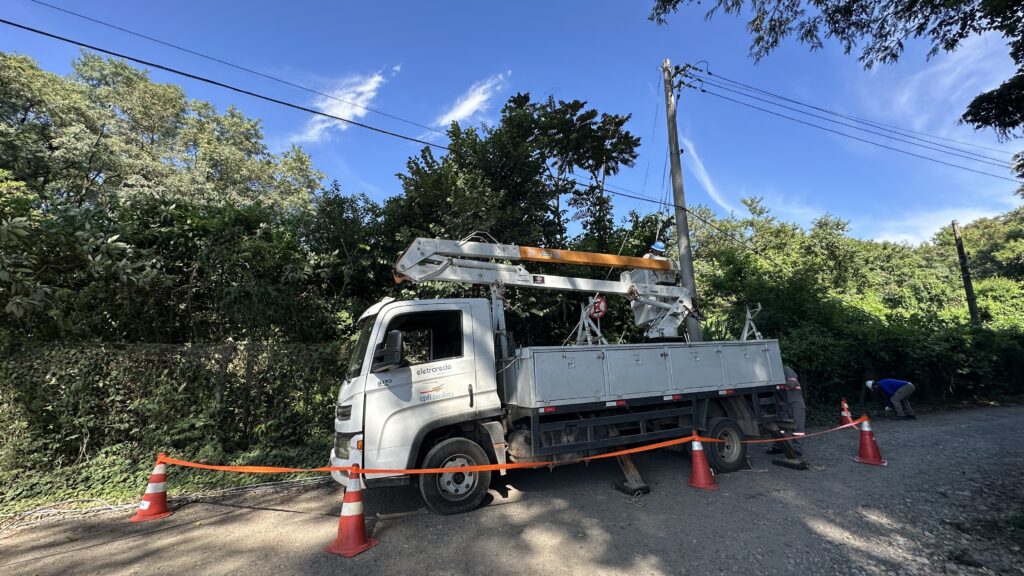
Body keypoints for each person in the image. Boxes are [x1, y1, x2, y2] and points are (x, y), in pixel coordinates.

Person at [769, 365, 806, 457]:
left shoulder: (787, 370)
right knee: (781, 428)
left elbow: (792, 384)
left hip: (796, 404)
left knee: (798, 427)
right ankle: (779, 446)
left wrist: (779, 384)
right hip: (784, 405)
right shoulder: (772, 372)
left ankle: (797, 449)